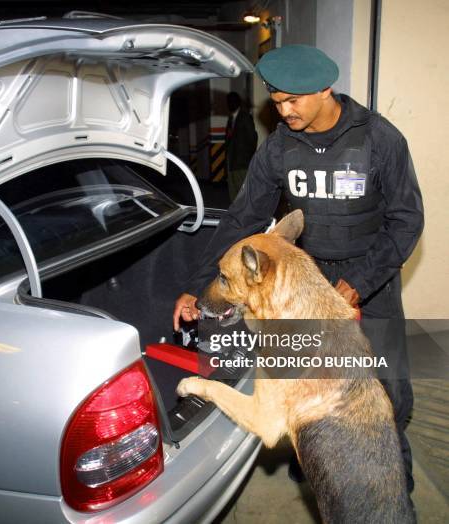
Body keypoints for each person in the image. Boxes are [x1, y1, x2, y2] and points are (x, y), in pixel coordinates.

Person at [173, 44, 424, 493]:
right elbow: (243, 219)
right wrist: (196, 287)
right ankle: (315, 463)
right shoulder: (279, 149)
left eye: (294, 101)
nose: (285, 111)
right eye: (277, 103)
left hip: (371, 275)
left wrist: (359, 283)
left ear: (326, 89)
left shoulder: (379, 139)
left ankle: (393, 482)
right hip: (306, 278)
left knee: (388, 391)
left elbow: (407, 221)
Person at [225, 92, 258, 201]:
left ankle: (245, 216)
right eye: (228, 102)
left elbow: (253, 138)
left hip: (242, 164)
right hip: (232, 163)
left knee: (243, 193)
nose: (230, 104)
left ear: (238, 103)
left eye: (233, 101)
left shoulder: (245, 117)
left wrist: (247, 158)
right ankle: (235, 215)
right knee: (233, 194)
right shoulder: (231, 119)